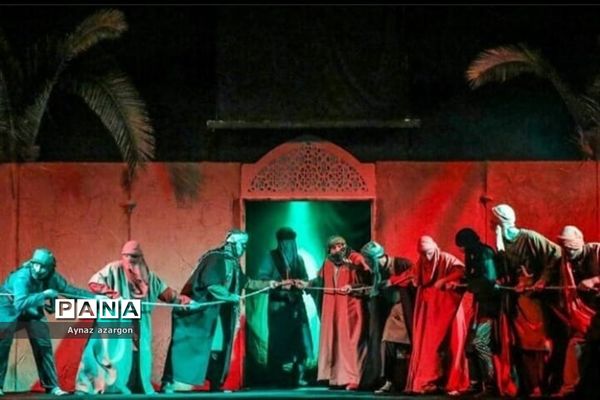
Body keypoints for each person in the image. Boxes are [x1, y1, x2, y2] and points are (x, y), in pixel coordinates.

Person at [161, 229, 278, 393]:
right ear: (232, 244)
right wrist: (231, 296)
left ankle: (215, 385)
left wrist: (268, 284)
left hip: (220, 317)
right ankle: (169, 382)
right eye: (242, 245)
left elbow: (246, 282)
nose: (244, 249)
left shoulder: (234, 263)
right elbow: (212, 285)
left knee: (218, 349)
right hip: (203, 315)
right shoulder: (215, 258)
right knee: (186, 347)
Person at [75, 240, 195, 395]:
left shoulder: (149, 276)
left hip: (140, 323)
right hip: (117, 321)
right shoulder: (114, 269)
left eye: (134, 256)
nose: (130, 260)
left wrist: (185, 301)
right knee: (111, 356)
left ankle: (135, 385)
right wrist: (113, 296)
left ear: (140, 257)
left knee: (138, 356)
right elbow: (94, 283)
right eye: (126, 256)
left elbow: (168, 294)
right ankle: (107, 388)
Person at [0, 247, 101, 397]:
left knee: (44, 344)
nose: (38, 269)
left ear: (50, 269)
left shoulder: (53, 278)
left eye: (42, 267)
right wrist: (44, 295)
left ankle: (51, 386)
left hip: (33, 308)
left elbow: (70, 291)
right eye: (35, 264)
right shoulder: (23, 276)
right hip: (8, 308)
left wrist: (95, 298)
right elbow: (20, 303)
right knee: (2, 345)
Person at [491, 204, 562, 397]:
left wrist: (542, 280)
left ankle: (542, 384)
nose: (491, 225)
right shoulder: (502, 242)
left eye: (493, 222)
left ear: (501, 222)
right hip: (516, 300)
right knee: (520, 345)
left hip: (532, 299)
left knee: (538, 343)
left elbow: (556, 253)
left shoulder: (529, 237)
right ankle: (528, 385)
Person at [388, 235, 466, 394]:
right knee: (428, 346)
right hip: (429, 310)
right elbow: (410, 275)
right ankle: (428, 381)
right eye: (423, 254)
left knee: (452, 343)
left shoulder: (446, 258)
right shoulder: (421, 263)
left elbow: (461, 270)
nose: (427, 257)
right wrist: (392, 281)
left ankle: (451, 382)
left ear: (435, 249)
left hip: (447, 307)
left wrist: (445, 280)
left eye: (429, 253)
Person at [295, 235, 371, 390]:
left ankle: (355, 378)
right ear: (329, 250)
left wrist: (353, 285)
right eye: (334, 247)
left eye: (341, 245)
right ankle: (337, 378)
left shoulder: (355, 258)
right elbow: (319, 281)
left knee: (352, 342)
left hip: (351, 307)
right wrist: (306, 284)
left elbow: (368, 276)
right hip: (332, 308)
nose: (338, 249)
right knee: (335, 340)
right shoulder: (328, 263)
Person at [255, 227, 312, 387]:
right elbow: (262, 279)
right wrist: (280, 284)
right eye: (285, 242)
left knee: (300, 341)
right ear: (280, 242)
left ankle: (298, 376)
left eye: (291, 242)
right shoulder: (271, 257)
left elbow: (305, 278)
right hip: (278, 306)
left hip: (296, 306)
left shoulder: (299, 259)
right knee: (279, 342)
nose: (289, 246)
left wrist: (300, 283)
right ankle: (278, 378)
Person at [360, 241, 414, 394]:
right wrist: (354, 288)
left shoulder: (402, 264)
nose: (367, 264)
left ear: (375, 259)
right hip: (393, 312)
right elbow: (373, 290)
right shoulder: (377, 273)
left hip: (406, 311)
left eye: (368, 260)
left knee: (402, 348)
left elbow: (414, 278)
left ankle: (403, 382)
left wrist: (393, 281)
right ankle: (389, 381)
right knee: (388, 343)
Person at [453, 228, 500, 396]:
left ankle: (490, 385)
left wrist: (468, 286)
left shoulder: (485, 253)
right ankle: (475, 384)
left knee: (480, 343)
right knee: (470, 345)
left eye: (462, 246)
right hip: (479, 305)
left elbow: (489, 279)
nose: (461, 250)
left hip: (490, 307)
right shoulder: (472, 254)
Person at [552, 225, 599, 397]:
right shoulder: (564, 260)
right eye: (566, 249)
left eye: (573, 249)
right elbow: (548, 273)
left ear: (581, 243)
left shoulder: (597, 251)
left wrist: (594, 280)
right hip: (584, 316)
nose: (570, 252)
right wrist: (539, 283)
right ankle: (569, 388)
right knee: (575, 345)